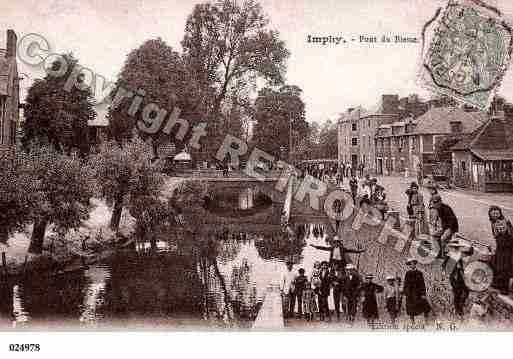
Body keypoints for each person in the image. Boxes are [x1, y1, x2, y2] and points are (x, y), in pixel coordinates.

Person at [447, 238, 471, 317]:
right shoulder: (451, 256)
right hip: (454, 278)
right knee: (457, 293)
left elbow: (469, 252)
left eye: (456, 247)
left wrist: (471, 245)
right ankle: (458, 309)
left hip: (460, 276)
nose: (455, 249)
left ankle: (461, 304)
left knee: (466, 290)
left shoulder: (457, 254)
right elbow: (448, 269)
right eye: (454, 247)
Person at [430, 194, 459, 261]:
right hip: (445, 227)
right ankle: (439, 252)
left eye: (435, 202)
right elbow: (441, 219)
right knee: (434, 235)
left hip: (452, 227)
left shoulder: (446, 209)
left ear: (440, 201)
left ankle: (445, 254)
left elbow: (452, 220)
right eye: (433, 202)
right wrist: (439, 226)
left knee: (443, 238)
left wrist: (448, 230)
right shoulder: (438, 208)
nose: (434, 204)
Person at [403, 258, 430, 323]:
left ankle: (426, 321)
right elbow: (405, 283)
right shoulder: (407, 273)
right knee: (410, 308)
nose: (411, 265)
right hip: (410, 294)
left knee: (425, 306)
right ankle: (412, 323)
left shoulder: (419, 273)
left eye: (412, 264)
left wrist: (423, 294)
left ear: (415, 264)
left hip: (418, 293)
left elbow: (422, 284)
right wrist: (406, 292)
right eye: (410, 264)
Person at [491, 219, 513, 294]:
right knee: (498, 269)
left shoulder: (509, 236)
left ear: (506, 227)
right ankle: (498, 284)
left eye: (503, 228)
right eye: (499, 229)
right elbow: (498, 246)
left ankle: (505, 288)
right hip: (500, 255)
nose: (501, 230)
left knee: (505, 271)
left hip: (507, 257)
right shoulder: (498, 236)